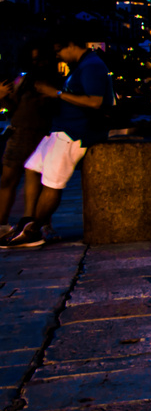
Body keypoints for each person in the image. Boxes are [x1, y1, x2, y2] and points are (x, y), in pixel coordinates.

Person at [3, 31, 113, 249]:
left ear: (71, 45)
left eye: (59, 51)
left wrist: (57, 94)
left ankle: (34, 230)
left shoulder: (91, 65)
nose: (59, 56)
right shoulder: (83, 65)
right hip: (60, 129)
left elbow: (95, 102)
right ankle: (28, 221)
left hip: (74, 133)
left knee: (53, 183)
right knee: (32, 168)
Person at [0, 40, 57, 238]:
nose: (38, 64)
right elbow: (14, 109)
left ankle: (38, 223)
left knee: (42, 181)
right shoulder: (22, 82)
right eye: (34, 60)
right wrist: (3, 97)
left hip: (42, 134)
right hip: (19, 133)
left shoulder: (51, 82)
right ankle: (2, 224)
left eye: (40, 59)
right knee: (8, 179)